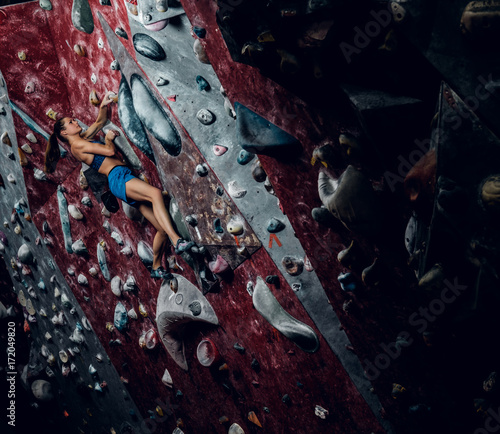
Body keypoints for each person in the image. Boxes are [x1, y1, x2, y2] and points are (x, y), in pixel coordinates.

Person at [44, 91, 194, 280]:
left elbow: (100, 122)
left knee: (161, 229)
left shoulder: (83, 140)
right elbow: (109, 150)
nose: (76, 122)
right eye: (71, 122)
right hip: (118, 178)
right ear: (64, 132)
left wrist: (103, 105)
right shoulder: (77, 147)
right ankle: (177, 241)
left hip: (122, 178)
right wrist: (107, 140)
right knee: (155, 194)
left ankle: (156, 267)